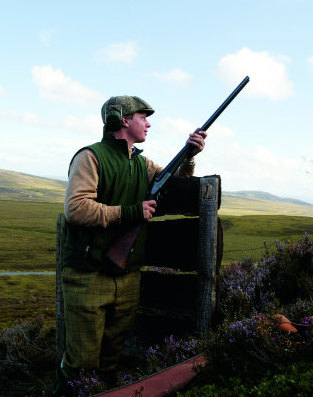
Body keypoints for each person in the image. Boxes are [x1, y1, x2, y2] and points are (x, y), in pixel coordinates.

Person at [56, 95, 207, 393]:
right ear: (123, 120)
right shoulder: (90, 157)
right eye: (142, 117)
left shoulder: (141, 162)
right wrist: (131, 212)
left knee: (112, 360)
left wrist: (189, 155)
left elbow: (175, 178)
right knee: (81, 363)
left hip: (127, 276)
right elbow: (76, 209)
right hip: (89, 275)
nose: (148, 123)